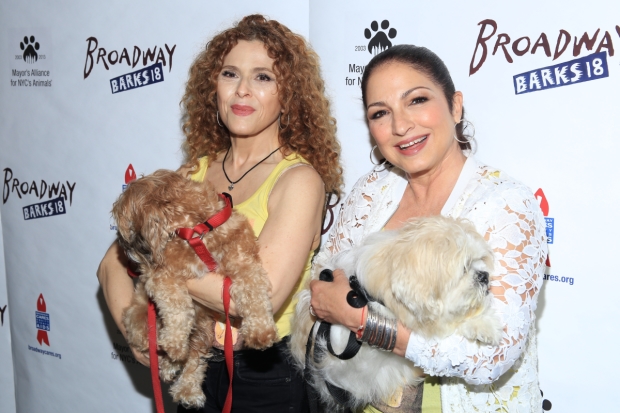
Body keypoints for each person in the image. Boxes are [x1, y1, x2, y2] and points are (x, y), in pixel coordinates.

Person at [97, 14, 342, 413]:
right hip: (196, 368)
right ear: (213, 87)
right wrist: (139, 331)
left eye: (263, 77)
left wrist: (163, 271)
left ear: (289, 95)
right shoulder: (192, 173)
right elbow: (112, 262)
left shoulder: (298, 179)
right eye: (230, 74)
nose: (243, 90)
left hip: (266, 376)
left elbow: (260, 294)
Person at [308, 44, 547, 413]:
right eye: (380, 113)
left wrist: (363, 321)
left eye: (417, 100)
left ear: (455, 105)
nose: (401, 126)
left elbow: (492, 354)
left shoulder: (505, 203)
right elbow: (323, 277)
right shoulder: (372, 189)